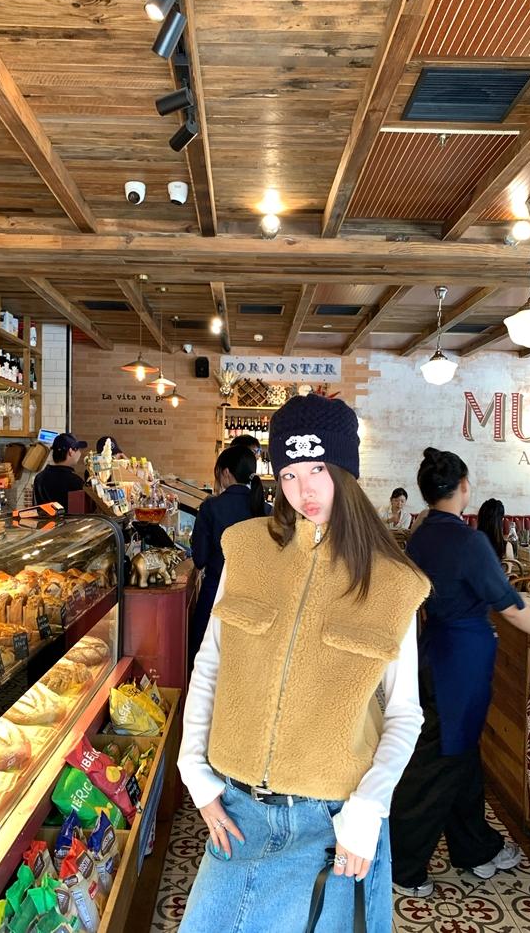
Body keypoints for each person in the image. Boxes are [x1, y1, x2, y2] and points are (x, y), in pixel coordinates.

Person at [177, 394, 430, 932]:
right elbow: (210, 663)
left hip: (334, 823)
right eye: (289, 474)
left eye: (318, 470)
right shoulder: (246, 551)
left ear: (346, 472)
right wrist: (193, 771)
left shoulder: (393, 581)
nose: (303, 490)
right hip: (239, 812)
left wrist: (368, 808)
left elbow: (405, 713)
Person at [390, 447, 530, 899]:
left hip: (435, 650)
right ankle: (403, 863)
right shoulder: (469, 542)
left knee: (460, 752)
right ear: (463, 486)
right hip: (460, 661)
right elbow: (508, 602)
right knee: (438, 762)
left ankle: (475, 849)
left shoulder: (422, 534)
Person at [189, 445, 270, 666]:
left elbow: (200, 559)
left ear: (225, 473)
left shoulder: (211, 507)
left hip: (216, 594)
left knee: (207, 660)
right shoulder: (266, 510)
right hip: (256, 599)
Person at [32, 432, 86, 512]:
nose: (80, 453)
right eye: (78, 449)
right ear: (71, 451)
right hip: (67, 521)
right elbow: (78, 513)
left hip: (44, 520)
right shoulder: (75, 481)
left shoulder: (39, 477)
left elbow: (36, 509)